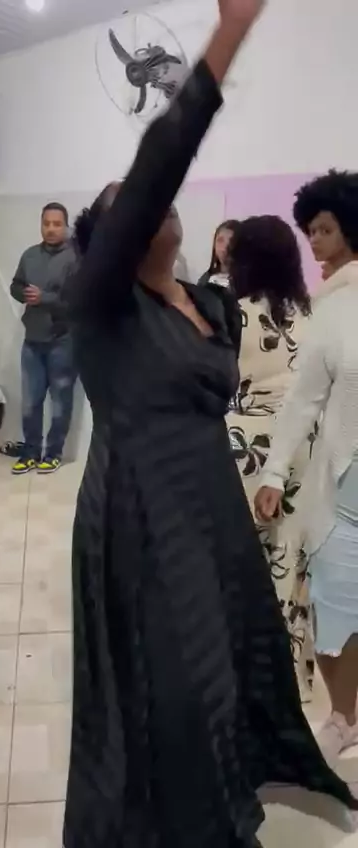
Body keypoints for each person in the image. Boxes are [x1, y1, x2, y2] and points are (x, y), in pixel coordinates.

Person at [64, 5, 356, 848]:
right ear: (112, 237)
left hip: (212, 504)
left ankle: (231, 803)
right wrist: (227, 38)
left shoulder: (206, 303)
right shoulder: (102, 305)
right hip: (142, 511)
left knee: (231, 663)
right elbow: (159, 161)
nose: (153, 204)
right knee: (175, 685)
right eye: (130, 203)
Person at [255, 169, 358, 767]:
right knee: (335, 605)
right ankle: (344, 717)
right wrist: (273, 472)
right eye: (309, 230)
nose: (314, 241)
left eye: (325, 229)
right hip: (341, 489)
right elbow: (304, 400)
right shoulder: (330, 309)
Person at [225, 216, 313, 701]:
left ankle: (248, 680)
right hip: (304, 446)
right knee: (292, 562)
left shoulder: (232, 314)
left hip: (246, 447)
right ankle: (292, 681)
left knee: (246, 565)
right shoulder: (311, 312)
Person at [8, 202, 76, 474]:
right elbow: (15, 285)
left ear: (66, 226)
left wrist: (44, 298)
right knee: (30, 402)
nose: (50, 229)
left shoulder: (76, 258)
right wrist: (22, 294)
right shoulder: (29, 255)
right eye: (46, 223)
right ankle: (30, 452)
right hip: (32, 342)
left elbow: (78, 301)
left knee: (60, 402)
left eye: (56, 224)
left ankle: (54, 453)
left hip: (63, 342)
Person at [198, 218, 241, 286]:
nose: (224, 248)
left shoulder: (245, 282)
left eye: (232, 241)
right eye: (220, 240)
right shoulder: (206, 278)